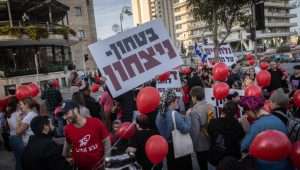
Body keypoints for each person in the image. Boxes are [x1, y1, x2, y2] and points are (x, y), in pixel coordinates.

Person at [240, 96, 292, 170]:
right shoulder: (278, 119)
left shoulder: (256, 126)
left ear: (251, 110)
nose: (246, 115)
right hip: (284, 165)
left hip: (264, 166)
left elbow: (243, 147)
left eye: (246, 112)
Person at [62, 100, 111, 170]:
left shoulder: (96, 122)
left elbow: (106, 141)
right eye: (63, 115)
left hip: (99, 167)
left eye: (66, 113)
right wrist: (67, 157)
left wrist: (107, 159)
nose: (65, 117)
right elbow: (67, 146)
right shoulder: (67, 129)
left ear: (75, 110)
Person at [155, 90, 192, 170]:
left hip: (168, 148)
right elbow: (186, 129)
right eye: (176, 101)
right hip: (179, 145)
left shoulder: (159, 114)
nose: (177, 103)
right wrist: (188, 116)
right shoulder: (174, 114)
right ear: (172, 102)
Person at [208, 101, 245, 166]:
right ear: (235, 113)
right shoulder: (237, 125)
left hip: (217, 156)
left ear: (223, 111)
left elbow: (209, 133)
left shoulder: (213, 122)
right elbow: (241, 137)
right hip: (232, 157)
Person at [189, 86, 210, 170]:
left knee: (203, 165)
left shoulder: (194, 111)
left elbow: (195, 131)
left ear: (194, 97)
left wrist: (193, 145)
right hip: (210, 138)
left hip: (201, 142)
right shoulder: (210, 106)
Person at [6, 97, 23, 170]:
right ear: (15, 104)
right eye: (19, 103)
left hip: (14, 138)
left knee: (19, 159)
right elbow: (17, 129)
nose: (20, 104)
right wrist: (20, 119)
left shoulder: (12, 114)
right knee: (21, 159)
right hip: (16, 138)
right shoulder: (13, 114)